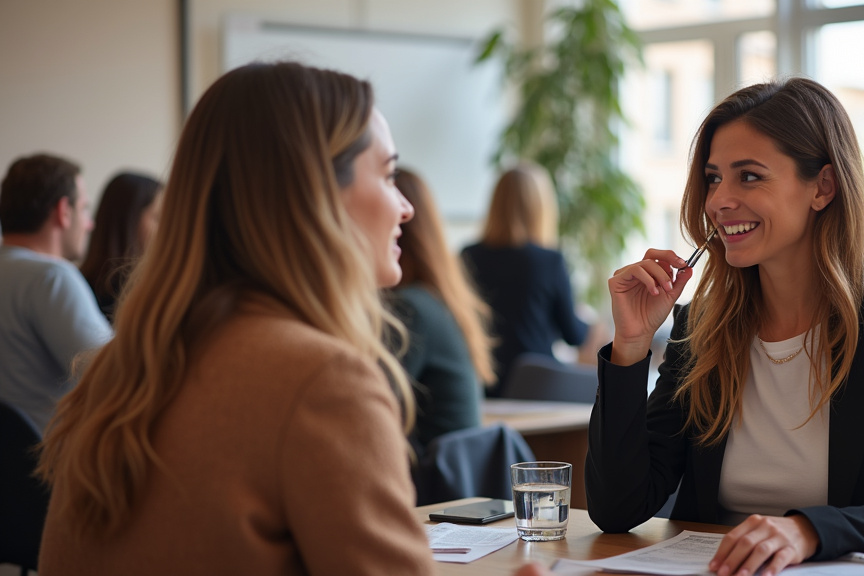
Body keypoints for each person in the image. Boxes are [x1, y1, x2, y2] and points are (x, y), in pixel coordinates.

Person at [35, 62, 550, 576]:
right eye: (390, 175)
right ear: (319, 196)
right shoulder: (323, 380)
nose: (406, 208)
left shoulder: (117, 369)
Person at [586, 77, 864, 576]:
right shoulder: (703, 326)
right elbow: (617, 509)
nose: (719, 201)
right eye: (714, 178)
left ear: (822, 187)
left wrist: (810, 530)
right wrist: (630, 345)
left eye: (750, 177)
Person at [461, 162, 596, 395]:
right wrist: (588, 321)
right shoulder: (549, 261)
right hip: (535, 388)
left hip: (482, 385)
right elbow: (574, 336)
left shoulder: (468, 256)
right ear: (541, 208)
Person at [0, 153, 112, 432]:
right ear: (63, 211)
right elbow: (114, 377)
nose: (90, 224)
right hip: (51, 464)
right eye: (85, 209)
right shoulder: (51, 278)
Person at [389, 167, 495, 449]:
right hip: (453, 484)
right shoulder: (439, 301)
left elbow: (366, 414)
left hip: (430, 489)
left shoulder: (410, 309)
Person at [79, 171, 165, 321]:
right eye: (157, 218)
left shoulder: (80, 282)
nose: (166, 228)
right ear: (129, 220)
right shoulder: (140, 292)